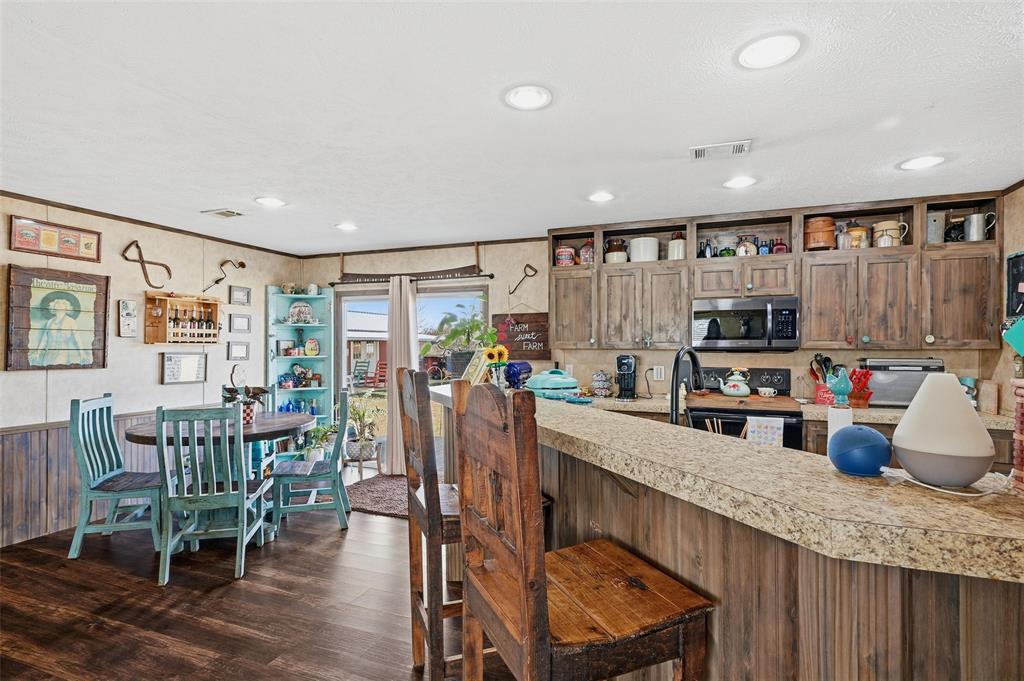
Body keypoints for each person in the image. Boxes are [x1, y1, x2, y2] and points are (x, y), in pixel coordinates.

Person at [30, 293, 90, 366]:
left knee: (56, 368)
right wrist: (38, 352)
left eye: (62, 303)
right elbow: (44, 339)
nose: (59, 304)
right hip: (49, 353)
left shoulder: (71, 322)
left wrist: (82, 353)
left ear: (66, 306)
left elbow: (77, 339)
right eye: (57, 302)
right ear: (53, 305)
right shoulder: (50, 322)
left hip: (62, 353)